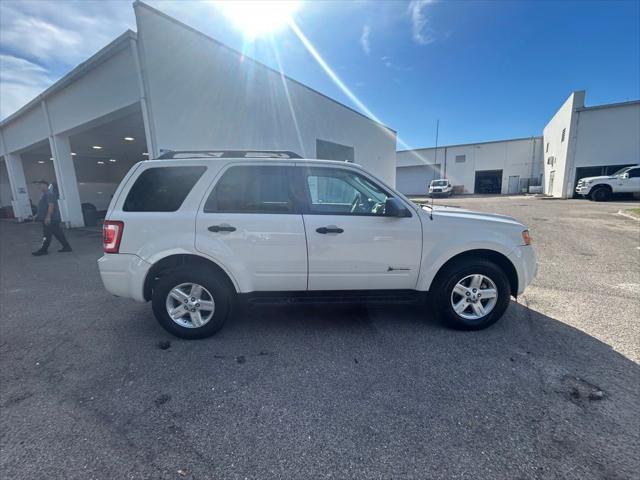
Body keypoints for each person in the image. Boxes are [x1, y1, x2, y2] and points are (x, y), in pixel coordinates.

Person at [31, 180, 72, 256]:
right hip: (51, 218)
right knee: (58, 234)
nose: (39, 187)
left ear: (46, 185)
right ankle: (67, 247)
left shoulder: (49, 194)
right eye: (38, 185)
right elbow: (43, 207)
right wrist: (37, 215)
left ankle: (43, 250)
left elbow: (51, 206)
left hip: (51, 219)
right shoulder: (45, 194)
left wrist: (48, 217)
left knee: (46, 235)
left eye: (40, 185)